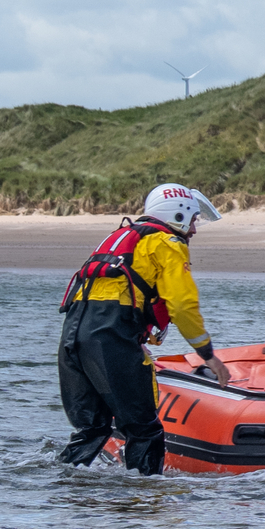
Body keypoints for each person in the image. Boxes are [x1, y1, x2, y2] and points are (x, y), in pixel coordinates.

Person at [59, 183, 229, 473]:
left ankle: (64, 490)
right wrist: (207, 353)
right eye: (193, 220)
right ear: (179, 214)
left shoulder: (119, 237)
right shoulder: (167, 244)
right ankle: (145, 503)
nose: (194, 230)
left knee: (92, 430)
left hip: (73, 336)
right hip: (110, 336)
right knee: (144, 429)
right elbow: (182, 304)